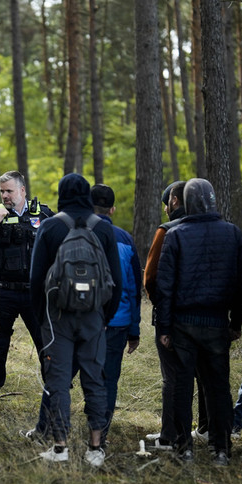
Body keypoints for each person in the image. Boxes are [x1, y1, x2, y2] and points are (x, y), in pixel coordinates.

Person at [29, 173, 122, 467]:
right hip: (94, 317)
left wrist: (42, 318)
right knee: (95, 379)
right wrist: (104, 318)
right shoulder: (104, 229)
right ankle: (96, 447)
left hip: (57, 319)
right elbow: (115, 282)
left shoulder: (50, 226)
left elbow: (35, 280)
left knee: (57, 381)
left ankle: (60, 448)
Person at [155, 178, 242, 466]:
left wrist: (165, 328)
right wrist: (236, 321)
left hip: (184, 324)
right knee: (218, 387)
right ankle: (221, 448)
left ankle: (185, 448)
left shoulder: (177, 234)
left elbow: (165, 287)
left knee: (182, 387)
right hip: (217, 323)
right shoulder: (232, 233)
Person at [0, 171, 54, 416]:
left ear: (23, 190)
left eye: (9, 191)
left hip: (36, 293)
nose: (5, 196)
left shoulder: (44, 215)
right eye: (2, 191)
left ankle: (54, 394)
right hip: (4, 293)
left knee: (47, 344)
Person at [90, 184, 141, 447]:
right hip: (117, 323)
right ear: (112, 209)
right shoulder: (124, 239)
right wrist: (134, 330)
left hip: (82, 319)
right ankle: (101, 434)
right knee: (108, 380)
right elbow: (133, 287)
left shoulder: (76, 233)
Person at [143, 180, 184, 450]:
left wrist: (160, 304)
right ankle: (209, 433)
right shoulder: (222, 229)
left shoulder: (167, 230)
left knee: (172, 377)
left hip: (172, 317)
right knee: (207, 379)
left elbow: (150, 277)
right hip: (211, 318)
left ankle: (169, 435)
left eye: (166, 203)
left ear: (174, 202)